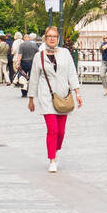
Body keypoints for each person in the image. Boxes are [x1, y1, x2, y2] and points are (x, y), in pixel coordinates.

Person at [27, 26, 83, 173]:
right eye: (49, 36)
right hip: (46, 96)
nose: (52, 38)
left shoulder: (65, 53)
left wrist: (77, 93)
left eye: (54, 36)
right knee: (53, 129)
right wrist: (31, 98)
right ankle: (52, 159)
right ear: (45, 38)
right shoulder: (39, 56)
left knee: (61, 132)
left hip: (63, 96)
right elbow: (33, 78)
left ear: (58, 38)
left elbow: (72, 73)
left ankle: (55, 149)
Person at [15, 33, 38, 98]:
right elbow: (37, 54)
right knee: (32, 78)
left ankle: (24, 92)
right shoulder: (34, 45)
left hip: (24, 62)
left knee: (23, 78)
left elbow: (20, 55)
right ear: (29, 38)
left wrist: (18, 63)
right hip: (32, 63)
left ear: (24, 38)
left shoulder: (22, 45)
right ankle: (31, 92)